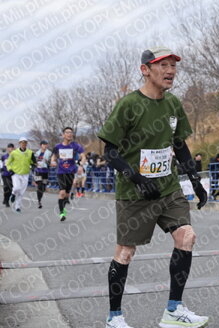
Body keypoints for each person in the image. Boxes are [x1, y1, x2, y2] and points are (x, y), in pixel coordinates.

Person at [98, 47, 208, 328]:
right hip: (134, 192)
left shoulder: (173, 104)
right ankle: (114, 317)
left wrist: (195, 180)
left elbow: (179, 145)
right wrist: (137, 178)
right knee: (125, 252)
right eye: (163, 65)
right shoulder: (129, 105)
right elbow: (110, 152)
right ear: (145, 70)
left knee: (186, 236)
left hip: (168, 188)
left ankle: (174, 310)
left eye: (173, 66)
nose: (170, 71)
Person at [51, 127, 86, 221]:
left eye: (71, 132)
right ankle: (62, 213)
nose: (69, 134)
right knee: (62, 193)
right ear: (63, 135)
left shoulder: (75, 146)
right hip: (61, 172)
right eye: (67, 132)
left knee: (66, 194)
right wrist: (53, 162)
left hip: (70, 172)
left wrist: (81, 166)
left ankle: (65, 204)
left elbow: (83, 157)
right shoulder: (58, 147)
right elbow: (53, 157)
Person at [8, 137, 36, 212]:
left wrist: (33, 165)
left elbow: (34, 162)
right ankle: (13, 194)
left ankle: (17, 207)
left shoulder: (30, 152)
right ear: (19, 143)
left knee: (21, 192)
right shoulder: (14, 153)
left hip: (25, 174)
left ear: (26, 143)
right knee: (16, 188)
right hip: (16, 173)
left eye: (25, 142)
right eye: (22, 142)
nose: (23, 144)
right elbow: (8, 163)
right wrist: (10, 169)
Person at [34, 140, 53, 207]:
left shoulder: (49, 153)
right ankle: (39, 201)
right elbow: (34, 162)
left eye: (46, 144)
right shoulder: (37, 153)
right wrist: (35, 163)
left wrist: (48, 161)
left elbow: (52, 162)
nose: (45, 146)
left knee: (43, 187)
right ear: (41, 145)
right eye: (44, 144)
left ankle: (40, 198)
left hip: (45, 171)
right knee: (39, 185)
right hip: (38, 171)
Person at [2, 143, 14, 207]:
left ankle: (6, 198)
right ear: (7, 148)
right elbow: (2, 164)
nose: (10, 149)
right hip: (5, 174)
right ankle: (6, 201)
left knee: (10, 189)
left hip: (12, 175)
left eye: (12, 147)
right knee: (6, 188)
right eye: (9, 147)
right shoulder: (4, 156)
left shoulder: (15, 157)